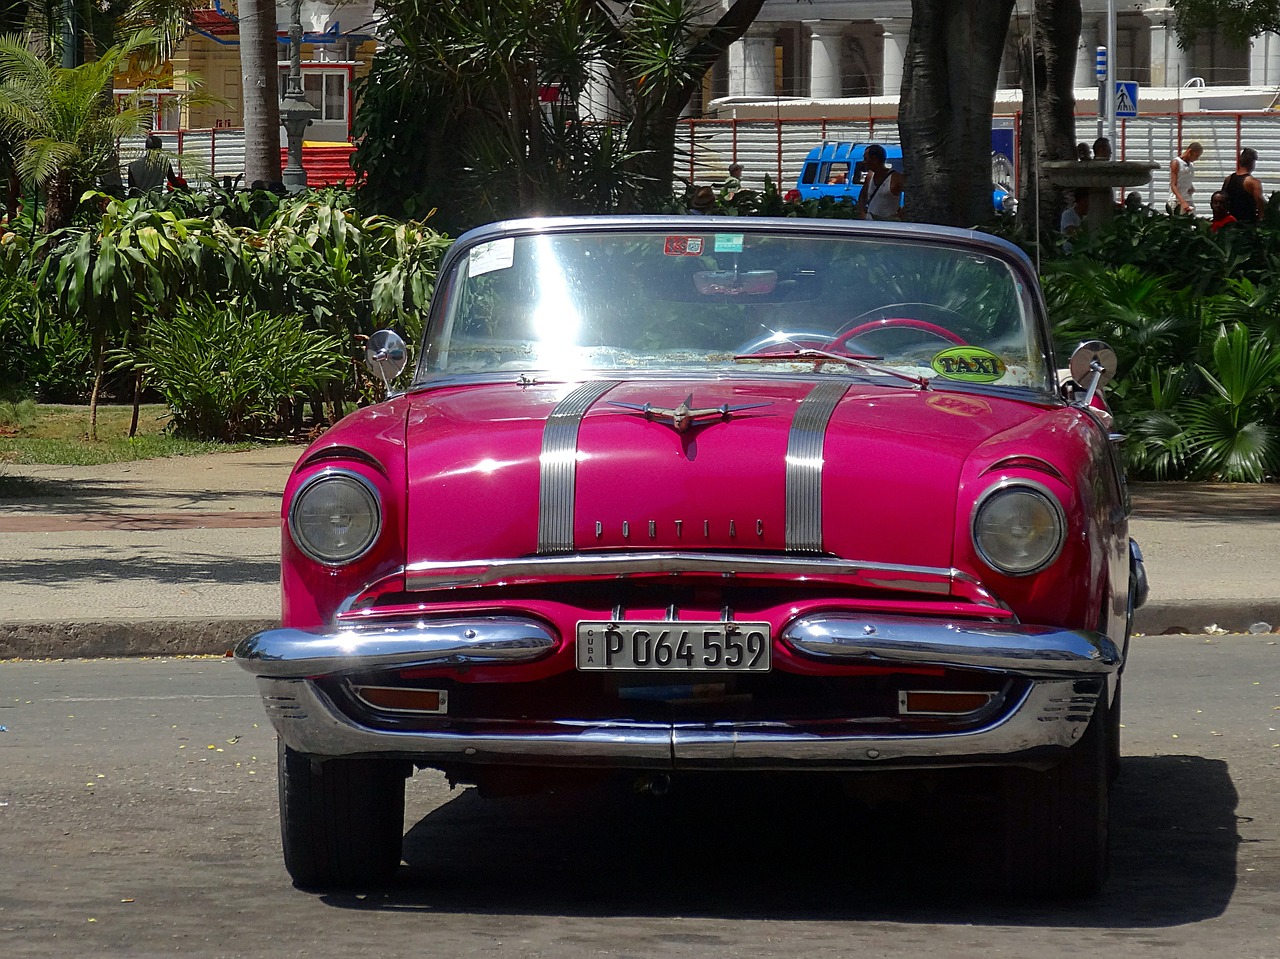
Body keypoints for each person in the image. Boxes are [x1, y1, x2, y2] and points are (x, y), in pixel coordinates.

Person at [856, 143, 904, 220]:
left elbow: (914, 197)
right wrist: (862, 213)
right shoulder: (870, 176)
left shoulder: (895, 178)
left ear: (875, 159)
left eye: (865, 158)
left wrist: (899, 215)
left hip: (888, 226)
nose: (863, 162)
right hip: (870, 224)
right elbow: (862, 196)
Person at [1222, 148, 1264, 225]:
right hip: (1247, 226)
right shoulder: (1253, 182)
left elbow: (1223, 199)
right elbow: (1261, 204)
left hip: (1230, 224)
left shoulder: (1228, 179)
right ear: (1252, 163)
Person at [1167, 141, 1203, 214]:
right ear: (1190, 151)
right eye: (1196, 156)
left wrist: (1191, 187)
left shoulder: (1191, 165)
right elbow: (1173, 185)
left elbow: (1185, 179)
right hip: (1177, 200)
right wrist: (1182, 202)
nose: (1197, 158)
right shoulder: (1176, 163)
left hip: (1188, 198)